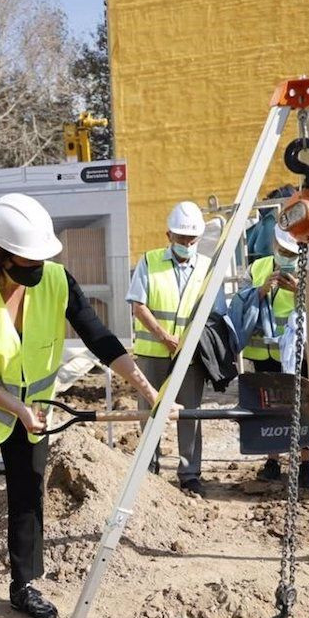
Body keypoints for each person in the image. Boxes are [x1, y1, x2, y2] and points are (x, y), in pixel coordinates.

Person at [0, 193, 163, 618]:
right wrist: (15, 407)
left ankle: (24, 585)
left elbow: (99, 338)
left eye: (41, 258)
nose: (37, 268)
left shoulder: (57, 280)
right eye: (28, 260)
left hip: (33, 412)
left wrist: (148, 389)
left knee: (28, 496)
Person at [126, 200, 212, 497]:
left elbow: (214, 312)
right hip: (152, 353)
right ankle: (149, 468)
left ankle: (190, 475)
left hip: (189, 357)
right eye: (181, 238)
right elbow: (138, 305)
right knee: (149, 412)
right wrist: (163, 335)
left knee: (190, 414)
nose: (187, 243)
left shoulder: (206, 267)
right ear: (168, 236)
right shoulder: (150, 262)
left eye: (192, 239)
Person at [239, 223, 309, 487]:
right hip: (264, 351)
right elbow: (241, 303)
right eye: (283, 251)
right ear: (274, 246)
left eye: (291, 252)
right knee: (268, 407)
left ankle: (306, 461)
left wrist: (299, 289)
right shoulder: (256, 269)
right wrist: (262, 290)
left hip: (298, 353)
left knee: (303, 405)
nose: (286, 256)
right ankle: (272, 460)